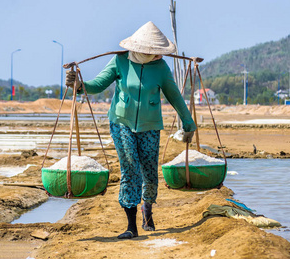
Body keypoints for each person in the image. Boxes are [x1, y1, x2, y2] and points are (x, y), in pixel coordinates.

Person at [66, 21, 196, 239]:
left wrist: (188, 122)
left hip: (150, 126)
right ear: (140, 49)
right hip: (121, 122)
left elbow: (174, 96)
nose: (157, 55)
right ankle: (131, 226)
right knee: (130, 169)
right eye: (153, 52)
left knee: (149, 173)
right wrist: (79, 85)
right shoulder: (120, 61)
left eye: (159, 52)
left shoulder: (161, 68)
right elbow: (98, 84)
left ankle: (147, 208)